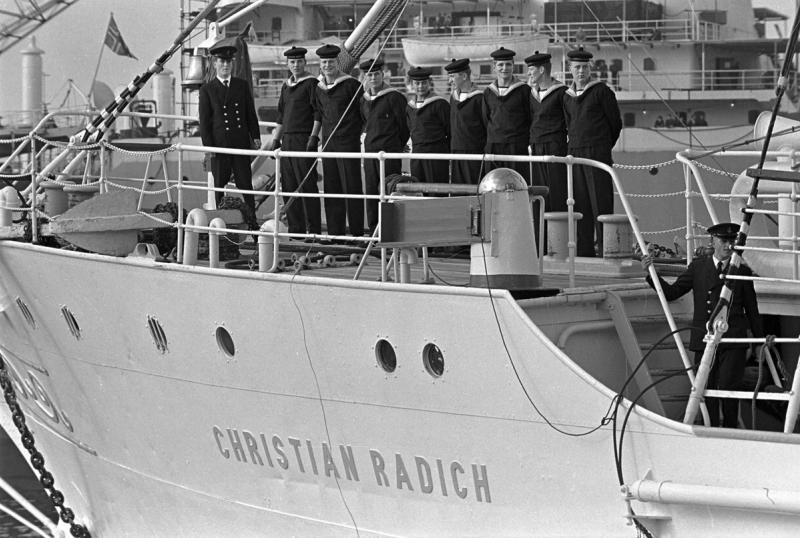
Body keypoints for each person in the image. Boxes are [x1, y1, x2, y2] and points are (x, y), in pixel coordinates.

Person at [642, 222, 763, 428]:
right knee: (707, 390)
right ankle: (711, 429)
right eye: (724, 241)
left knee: (728, 389)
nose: (728, 246)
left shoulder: (742, 271)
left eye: (731, 241)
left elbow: (752, 310)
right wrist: (650, 273)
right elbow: (672, 292)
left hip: (733, 340)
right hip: (705, 338)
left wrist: (759, 343)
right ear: (712, 241)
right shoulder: (698, 267)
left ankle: (731, 430)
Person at [562, 46, 622, 256]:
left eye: (584, 67)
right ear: (570, 68)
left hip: (597, 154)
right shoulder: (567, 97)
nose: (581, 71)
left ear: (590, 68)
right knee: (580, 204)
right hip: (575, 155)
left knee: (601, 204)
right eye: (577, 67)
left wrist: (601, 147)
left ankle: (607, 251)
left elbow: (615, 124)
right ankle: (584, 252)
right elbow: (569, 124)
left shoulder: (602, 92)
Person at [198, 38, 261, 226]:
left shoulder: (241, 85)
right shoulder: (207, 90)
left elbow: (250, 113)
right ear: (215, 64)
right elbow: (205, 122)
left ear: (232, 64)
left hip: (239, 143)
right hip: (220, 146)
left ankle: (252, 223)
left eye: (228, 62)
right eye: (222, 62)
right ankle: (220, 223)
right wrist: (209, 148)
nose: (225, 65)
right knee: (219, 185)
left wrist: (255, 136)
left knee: (246, 185)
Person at [311, 43, 364, 239]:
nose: (327, 66)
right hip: (328, 144)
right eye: (324, 62)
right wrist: (314, 137)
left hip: (348, 143)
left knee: (352, 188)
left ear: (337, 63)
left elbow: (363, 113)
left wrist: (357, 134)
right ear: (320, 64)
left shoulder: (352, 86)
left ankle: (357, 233)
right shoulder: (318, 88)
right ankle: (335, 233)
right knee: (332, 188)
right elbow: (319, 112)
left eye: (331, 62)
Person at [269, 46, 321, 238]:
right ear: (288, 64)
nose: (296, 65)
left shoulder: (312, 84)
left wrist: (314, 137)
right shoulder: (286, 86)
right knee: (289, 186)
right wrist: (276, 139)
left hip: (304, 139)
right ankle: (296, 230)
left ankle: (313, 230)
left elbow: (317, 113)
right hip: (287, 140)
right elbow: (281, 115)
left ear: (305, 62)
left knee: (307, 185)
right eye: (292, 62)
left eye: (299, 61)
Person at [359, 58, 409, 234]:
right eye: (370, 75)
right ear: (365, 77)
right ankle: (374, 231)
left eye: (376, 74)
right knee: (372, 192)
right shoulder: (363, 100)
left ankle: (389, 231)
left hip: (389, 152)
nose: (373, 78)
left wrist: (396, 146)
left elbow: (404, 126)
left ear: (383, 74)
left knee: (388, 191)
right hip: (370, 152)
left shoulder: (395, 97)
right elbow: (365, 122)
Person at [526, 50, 568, 212]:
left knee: (557, 190)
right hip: (536, 147)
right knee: (538, 191)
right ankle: (540, 226)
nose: (529, 73)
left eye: (531, 69)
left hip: (555, 147)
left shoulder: (562, 93)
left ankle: (558, 225)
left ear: (542, 70)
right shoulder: (532, 94)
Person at [482, 47, 531, 179]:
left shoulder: (524, 90)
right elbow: (486, 119)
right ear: (494, 67)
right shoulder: (488, 92)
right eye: (501, 65)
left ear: (513, 65)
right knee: (493, 183)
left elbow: (529, 118)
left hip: (516, 146)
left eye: (508, 64)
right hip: (493, 146)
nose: (505, 68)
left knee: (516, 183)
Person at [406, 66, 450, 183]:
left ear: (429, 83)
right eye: (417, 83)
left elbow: (450, 130)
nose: (421, 86)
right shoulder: (410, 107)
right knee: (418, 186)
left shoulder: (440, 104)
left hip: (436, 154)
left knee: (437, 187)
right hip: (417, 154)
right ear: (412, 84)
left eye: (424, 83)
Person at [446, 58, 486, 184]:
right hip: (456, 151)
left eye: (452, 76)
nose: (449, 81)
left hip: (474, 152)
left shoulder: (480, 98)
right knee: (457, 189)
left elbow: (486, 125)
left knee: (474, 188)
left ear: (464, 76)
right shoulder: (453, 97)